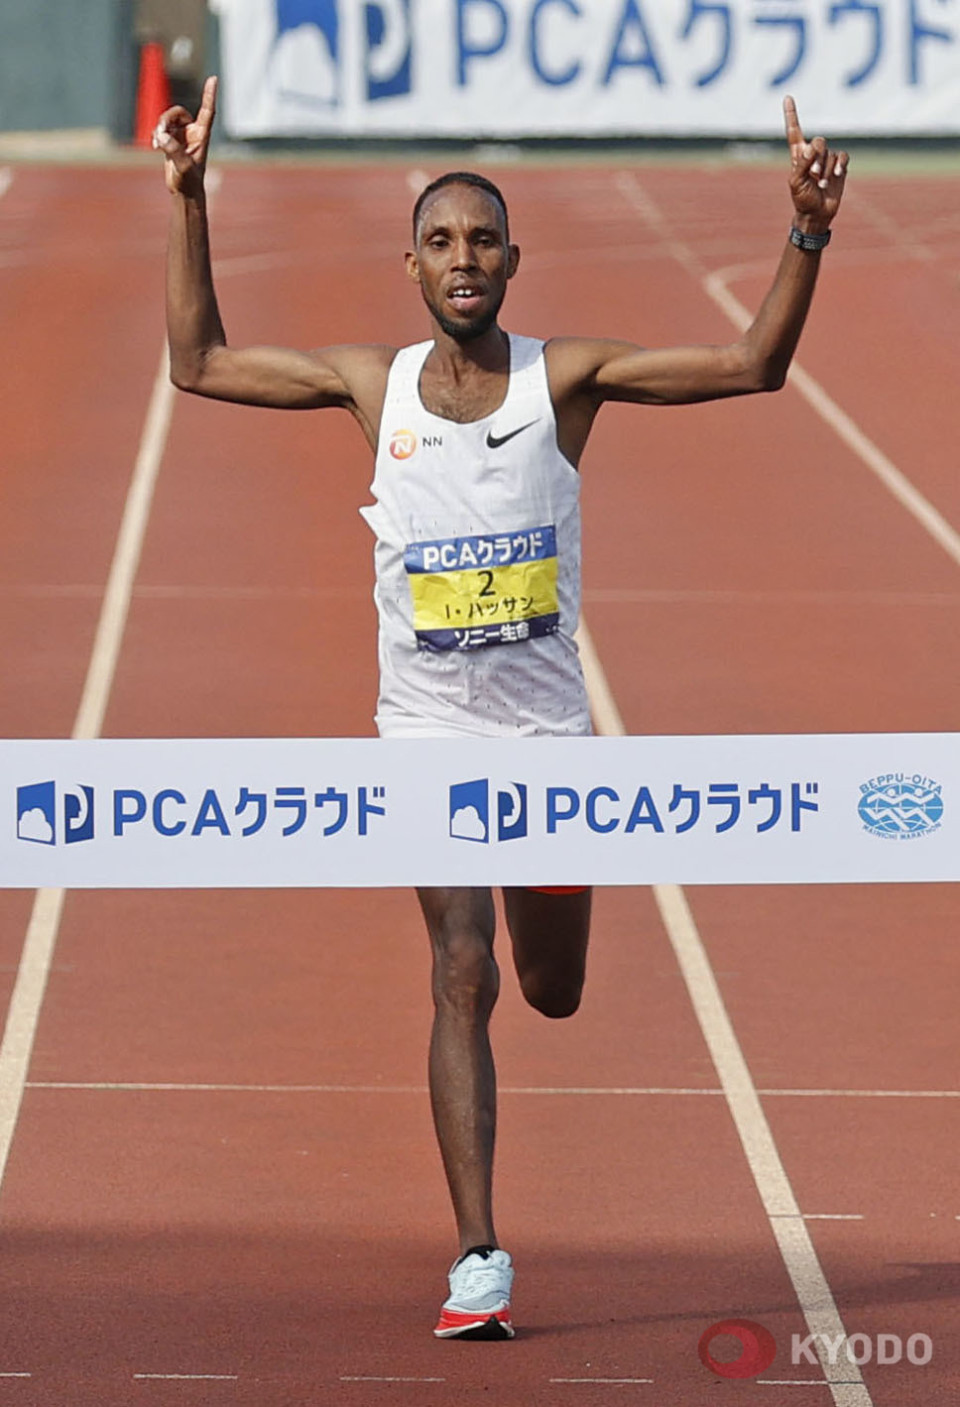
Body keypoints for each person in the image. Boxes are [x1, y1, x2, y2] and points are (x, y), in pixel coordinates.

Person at [154, 77, 847, 1341]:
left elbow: (754, 366)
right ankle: (478, 1256)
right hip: (424, 737)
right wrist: (191, 197)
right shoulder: (378, 388)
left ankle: (556, 918)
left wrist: (805, 232)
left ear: (514, 261)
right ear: (410, 265)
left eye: (481, 240)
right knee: (458, 973)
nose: (462, 259)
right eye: (439, 241)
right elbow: (197, 363)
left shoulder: (562, 380)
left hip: (547, 744)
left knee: (551, 988)